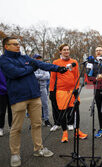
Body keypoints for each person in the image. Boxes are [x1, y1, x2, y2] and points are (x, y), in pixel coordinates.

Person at [0, 37, 67, 167]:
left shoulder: (25, 58)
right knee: (16, 128)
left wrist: (57, 68)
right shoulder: (3, 60)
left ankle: (38, 149)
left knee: (37, 124)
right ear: (6, 46)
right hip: (18, 97)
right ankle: (15, 154)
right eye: (14, 44)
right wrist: (31, 69)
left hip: (34, 96)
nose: (18, 46)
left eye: (18, 44)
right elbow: (15, 73)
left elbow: (41, 64)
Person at [49, 43, 88, 143]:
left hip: (72, 91)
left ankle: (77, 131)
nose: (67, 51)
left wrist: (76, 89)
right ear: (60, 51)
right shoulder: (56, 62)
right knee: (62, 112)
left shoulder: (74, 62)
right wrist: (51, 91)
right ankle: (64, 133)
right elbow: (53, 78)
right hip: (61, 91)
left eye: (68, 49)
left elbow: (76, 76)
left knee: (76, 111)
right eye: (64, 50)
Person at [33, 54, 52, 127]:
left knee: (45, 104)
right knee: (34, 106)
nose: (38, 60)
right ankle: (34, 121)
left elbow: (48, 76)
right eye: (37, 58)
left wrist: (38, 76)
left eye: (39, 58)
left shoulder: (44, 67)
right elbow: (32, 76)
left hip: (43, 87)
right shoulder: (31, 67)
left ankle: (46, 120)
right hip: (34, 88)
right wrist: (42, 76)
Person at [0, 68, 12, 136]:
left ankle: (11, 127)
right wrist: (5, 89)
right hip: (2, 93)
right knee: (2, 111)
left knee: (11, 110)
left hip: (10, 93)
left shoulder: (9, 68)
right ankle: (1, 127)